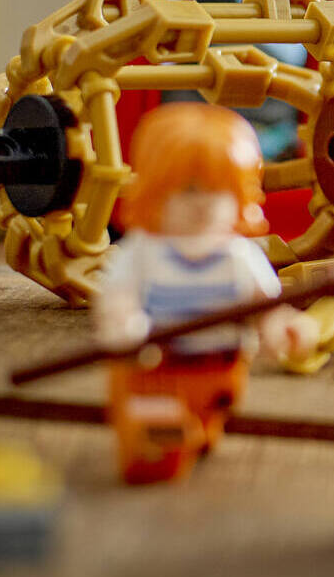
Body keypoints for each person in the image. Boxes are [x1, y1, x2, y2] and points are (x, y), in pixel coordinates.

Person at [97, 103, 316, 484]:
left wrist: (282, 327)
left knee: (203, 427)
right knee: (156, 438)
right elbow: (118, 298)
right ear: (154, 189)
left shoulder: (239, 256)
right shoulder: (143, 253)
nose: (203, 203)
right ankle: (163, 446)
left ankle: (199, 433)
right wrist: (122, 322)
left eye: (219, 190)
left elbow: (265, 306)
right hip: (158, 369)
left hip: (220, 369)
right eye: (188, 190)